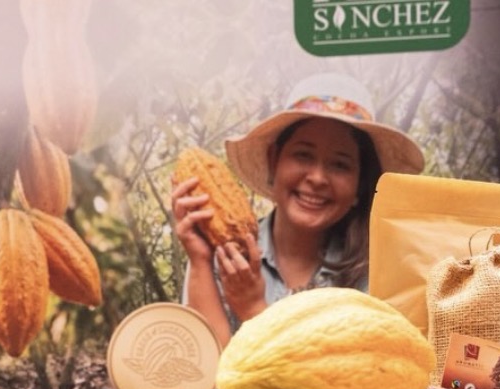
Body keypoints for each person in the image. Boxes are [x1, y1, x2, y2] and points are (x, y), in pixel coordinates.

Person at [172, 72, 426, 348]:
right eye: (302, 155)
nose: (317, 178)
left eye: (340, 164)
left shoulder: (373, 276)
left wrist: (253, 308)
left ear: (360, 186)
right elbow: (208, 373)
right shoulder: (225, 254)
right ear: (274, 161)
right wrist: (199, 261)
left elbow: (343, 382)